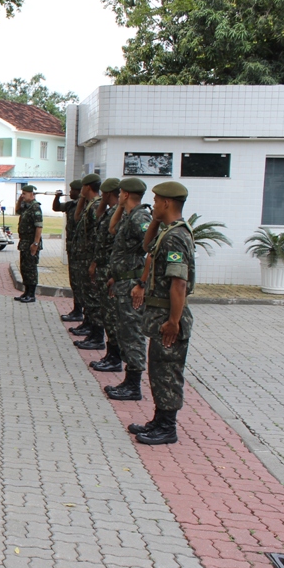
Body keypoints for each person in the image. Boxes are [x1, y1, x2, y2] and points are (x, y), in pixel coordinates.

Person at [128, 182, 195, 445]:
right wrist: (156, 221)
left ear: (167, 203)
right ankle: (159, 420)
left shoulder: (177, 236)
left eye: (156, 201)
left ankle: (167, 428)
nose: (152, 204)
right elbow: (147, 247)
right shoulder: (167, 231)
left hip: (170, 317)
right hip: (161, 316)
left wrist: (173, 322)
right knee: (158, 370)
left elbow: (179, 283)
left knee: (168, 372)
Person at [104, 177, 151, 401]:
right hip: (123, 282)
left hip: (133, 286)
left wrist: (141, 283)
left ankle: (134, 386)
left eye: (121, 193)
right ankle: (128, 382)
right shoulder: (129, 215)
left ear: (124, 193)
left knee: (133, 334)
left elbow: (153, 249)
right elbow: (112, 229)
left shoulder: (141, 217)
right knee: (125, 332)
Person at [87, 178, 122, 365]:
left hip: (110, 270)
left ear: (108, 193)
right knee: (106, 313)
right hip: (103, 268)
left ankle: (115, 357)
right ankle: (111, 354)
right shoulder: (110, 212)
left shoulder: (119, 214)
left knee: (111, 315)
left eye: (104, 194)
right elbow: (98, 219)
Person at [70, 174, 102, 343]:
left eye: (82, 187)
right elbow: (76, 218)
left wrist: (95, 262)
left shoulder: (97, 205)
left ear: (88, 187)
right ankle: (88, 324)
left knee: (92, 296)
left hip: (90, 258)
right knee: (87, 294)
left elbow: (98, 236)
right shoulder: (89, 204)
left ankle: (96, 334)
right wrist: (82, 199)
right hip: (83, 257)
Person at [54, 180, 83, 321]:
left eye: (72, 190)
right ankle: (77, 310)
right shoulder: (71, 205)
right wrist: (57, 197)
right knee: (74, 281)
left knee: (80, 282)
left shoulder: (83, 206)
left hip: (81, 251)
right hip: (73, 248)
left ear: (79, 191)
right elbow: (57, 207)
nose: (70, 193)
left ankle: (80, 312)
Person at [14, 184, 43, 303]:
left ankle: (31, 294)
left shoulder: (35, 208)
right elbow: (17, 211)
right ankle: (26, 292)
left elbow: (39, 227)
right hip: (24, 242)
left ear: (31, 194)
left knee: (31, 269)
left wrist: (35, 244)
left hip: (31, 243)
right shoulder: (27, 207)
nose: (23, 196)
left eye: (24, 194)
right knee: (24, 268)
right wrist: (20, 199)